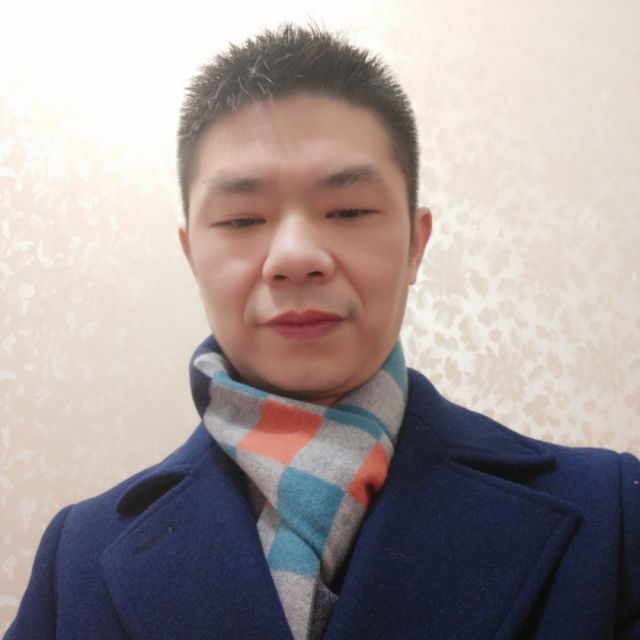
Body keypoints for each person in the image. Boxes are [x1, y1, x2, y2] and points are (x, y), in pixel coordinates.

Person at [5, 24, 640, 640]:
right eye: (242, 218)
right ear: (191, 254)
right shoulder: (78, 558)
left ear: (415, 245)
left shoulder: (612, 517)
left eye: (349, 210)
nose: (295, 256)